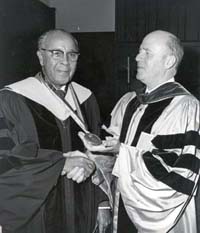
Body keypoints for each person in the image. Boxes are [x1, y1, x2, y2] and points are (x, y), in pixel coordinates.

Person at [79, 30, 200, 233]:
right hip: (121, 205)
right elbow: (107, 158)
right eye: (139, 51)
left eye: (147, 53)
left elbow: (178, 173)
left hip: (160, 217)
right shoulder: (128, 102)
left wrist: (122, 151)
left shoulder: (185, 108)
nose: (137, 57)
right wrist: (99, 147)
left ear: (169, 61)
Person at [0, 29, 111, 233]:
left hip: (83, 210)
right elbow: (5, 163)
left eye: (72, 54)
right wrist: (61, 165)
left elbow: (102, 155)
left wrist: (103, 202)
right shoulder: (12, 99)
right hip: (36, 214)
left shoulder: (87, 99)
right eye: (56, 53)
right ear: (41, 57)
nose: (65, 61)